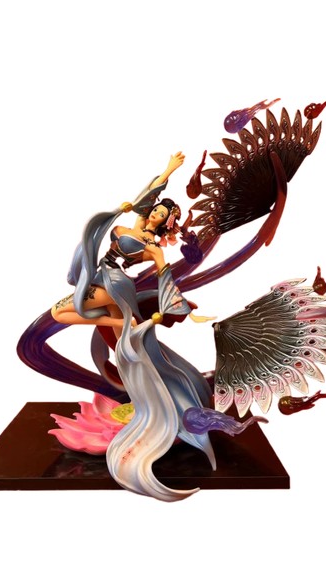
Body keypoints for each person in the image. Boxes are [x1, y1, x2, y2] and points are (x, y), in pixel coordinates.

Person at [50, 151, 216, 501]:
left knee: (58, 314)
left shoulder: (153, 246)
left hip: (112, 283)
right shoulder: (138, 222)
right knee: (120, 350)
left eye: (162, 215)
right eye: (156, 210)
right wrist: (168, 170)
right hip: (104, 278)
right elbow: (146, 196)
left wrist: (178, 308)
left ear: (167, 224)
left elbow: (165, 276)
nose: (155, 214)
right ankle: (143, 381)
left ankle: (120, 322)